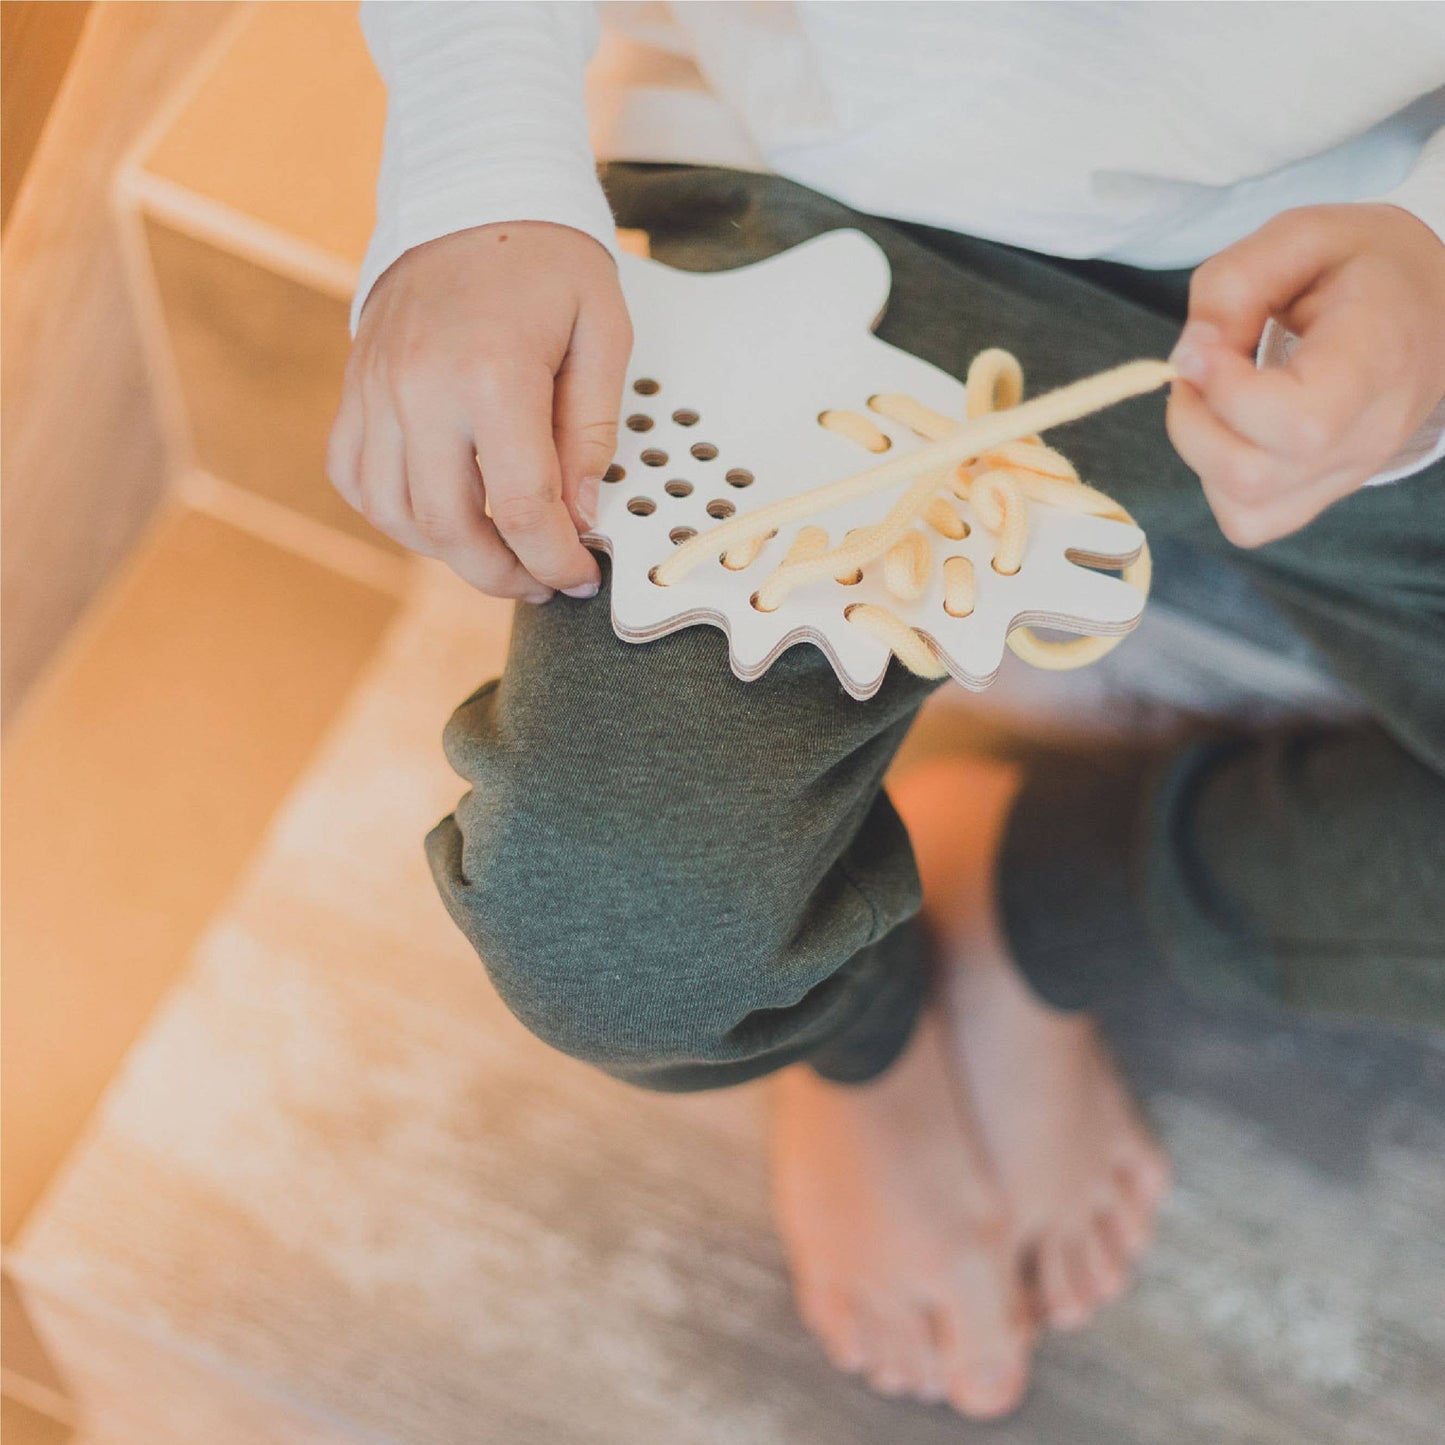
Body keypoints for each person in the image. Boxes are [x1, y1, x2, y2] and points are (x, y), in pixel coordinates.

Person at [329, 2, 1445, 1420]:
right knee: (614, 927)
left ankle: (1039, 883)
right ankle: (859, 1025)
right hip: (833, 201)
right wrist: (474, 171)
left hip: (1378, 233)